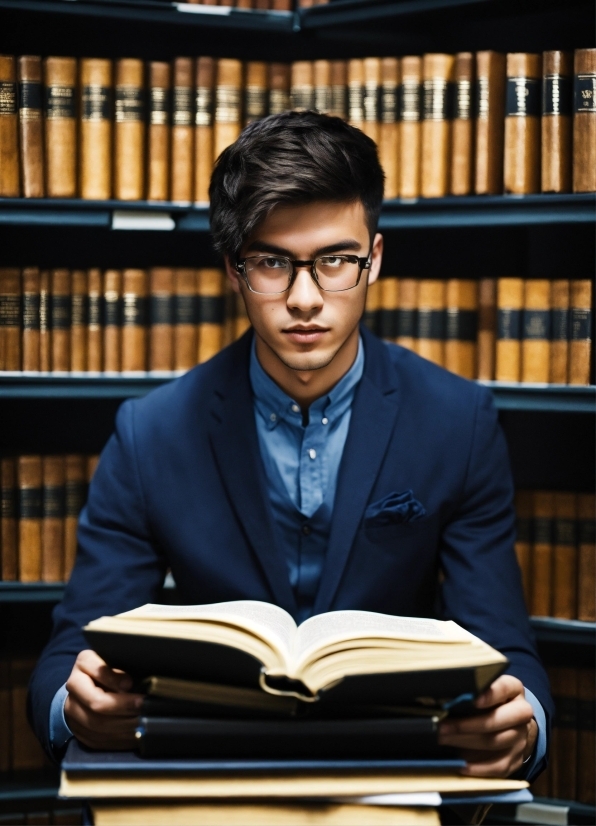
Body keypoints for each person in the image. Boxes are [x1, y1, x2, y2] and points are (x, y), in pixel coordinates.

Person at [29, 111, 551, 780]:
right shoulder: (149, 433)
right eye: (273, 263)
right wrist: (74, 710)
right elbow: (66, 654)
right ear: (233, 270)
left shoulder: (459, 421)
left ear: (375, 260)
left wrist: (522, 723)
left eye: (336, 260)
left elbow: (507, 644)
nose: (305, 299)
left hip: (393, 770)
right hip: (212, 774)